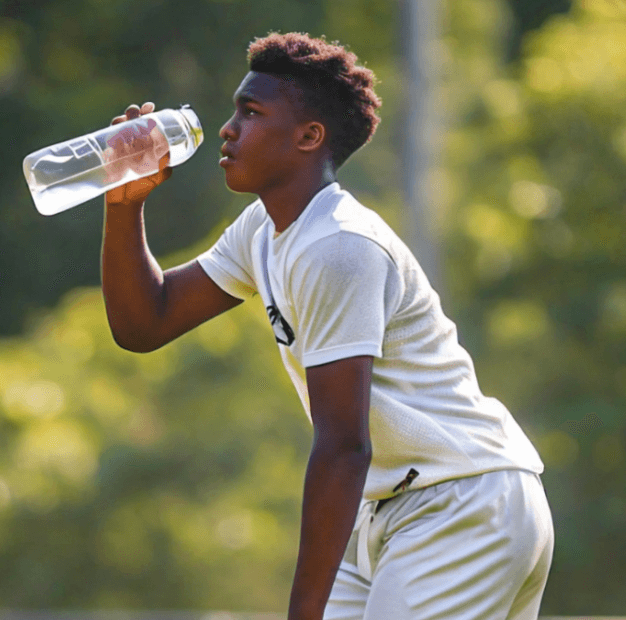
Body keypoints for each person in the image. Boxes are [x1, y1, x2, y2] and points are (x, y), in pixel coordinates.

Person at [100, 32, 554, 620]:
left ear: (309, 136)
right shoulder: (262, 231)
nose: (227, 128)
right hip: (385, 509)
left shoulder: (340, 245)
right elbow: (145, 323)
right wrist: (123, 203)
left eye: (252, 112)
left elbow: (344, 444)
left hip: (462, 500)